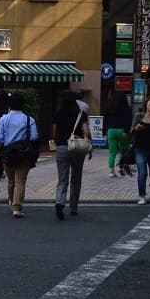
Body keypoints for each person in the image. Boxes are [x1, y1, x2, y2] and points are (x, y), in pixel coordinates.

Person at [0, 93, 38, 219]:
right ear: (23, 104)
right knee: (20, 181)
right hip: (24, 154)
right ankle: (17, 207)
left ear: (9, 105)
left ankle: (11, 201)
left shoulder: (3, 119)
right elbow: (34, 137)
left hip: (7, 154)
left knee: (11, 180)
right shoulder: (30, 119)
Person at [51, 89, 91, 220]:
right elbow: (86, 131)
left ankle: (59, 202)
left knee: (62, 178)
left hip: (62, 147)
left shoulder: (58, 113)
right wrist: (89, 145)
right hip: (77, 148)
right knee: (76, 178)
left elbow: (54, 132)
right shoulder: (81, 113)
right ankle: (73, 207)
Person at [104, 91, 132, 177]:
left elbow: (105, 120)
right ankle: (121, 168)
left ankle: (111, 172)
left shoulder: (109, 107)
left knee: (112, 152)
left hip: (111, 131)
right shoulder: (126, 108)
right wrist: (126, 131)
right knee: (123, 150)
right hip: (122, 131)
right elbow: (129, 120)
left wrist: (104, 131)